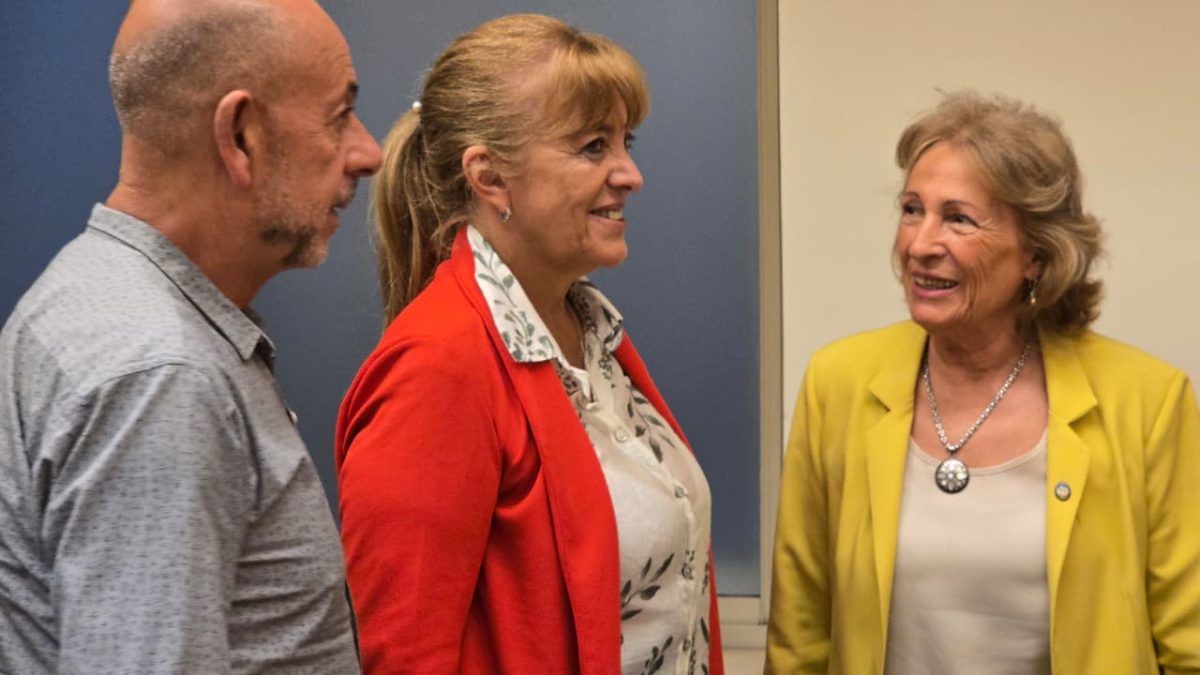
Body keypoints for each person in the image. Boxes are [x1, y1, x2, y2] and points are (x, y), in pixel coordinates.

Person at [335, 14, 723, 674]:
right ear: (488, 178)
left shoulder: (588, 332)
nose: (630, 174)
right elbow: (403, 656)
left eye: (626, 142)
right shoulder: (437, 367)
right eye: (593, 147)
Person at [0, 0, 381, 672]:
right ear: (240, 136)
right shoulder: (158, 373)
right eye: (337, 116)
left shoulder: (94, 293)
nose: (368, 152)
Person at [766, 92, 1200, 673]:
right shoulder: (839, 382)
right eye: (912, 209)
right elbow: (801, 632)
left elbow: (1188, 642)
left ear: (1037, 256)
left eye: (959, 219)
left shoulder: (1149, 400)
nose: (919, 245)